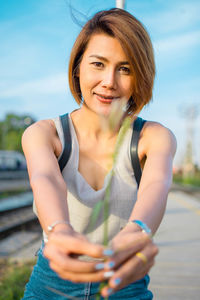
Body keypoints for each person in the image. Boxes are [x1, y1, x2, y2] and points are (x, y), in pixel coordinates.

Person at [22, 8, 176, 300]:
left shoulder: (153, 138)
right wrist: (59, 231)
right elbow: (45, 179)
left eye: (125, 69)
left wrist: (138, 232)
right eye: (98, 64)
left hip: (123, 281)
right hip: (53, 280)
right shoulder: (44, 134)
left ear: (140, 76)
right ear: (78, 67)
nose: (109, 81)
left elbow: (157, 185)